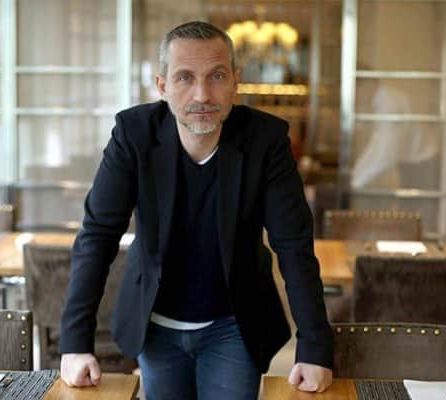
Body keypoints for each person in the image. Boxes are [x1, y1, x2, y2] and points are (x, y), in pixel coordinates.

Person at [59, 21, 333, 399]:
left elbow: (294, 246)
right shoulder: (133, 134)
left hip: (235, 325)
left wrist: (315, 347)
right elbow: (98, 236)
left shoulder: (266, 140)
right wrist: (75, 343)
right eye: (185, 77)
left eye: (216, 76)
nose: (202, 94)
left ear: (235, 81)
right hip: (155, 324)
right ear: (162, 86)